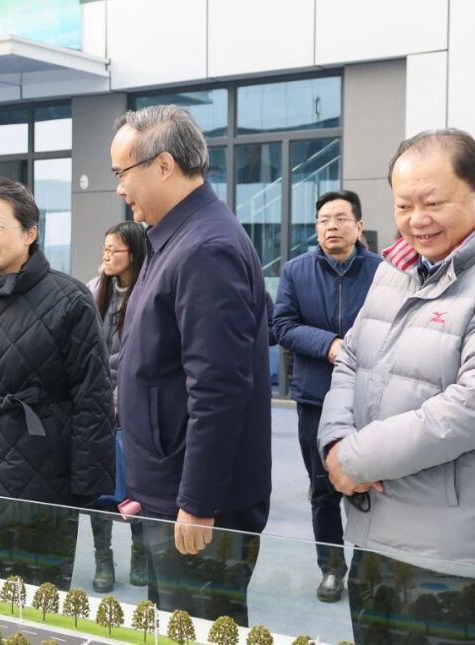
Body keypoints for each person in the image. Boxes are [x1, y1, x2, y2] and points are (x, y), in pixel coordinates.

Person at [318, 129, 475, 644]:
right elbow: (351, 358)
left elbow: (473, 408)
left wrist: (354, 459)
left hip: (452, 559)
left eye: (433, 203)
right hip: (374, 536)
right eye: (404, 205)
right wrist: (334, 441)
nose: (416, 219)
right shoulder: (394, 271)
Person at [112, 105, 271, 625]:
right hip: (171, 489)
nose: (119, 188)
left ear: (163, 166)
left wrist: (197, 502)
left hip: (197, 506)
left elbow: (218, 388)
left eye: (122, 172)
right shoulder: (175, 236)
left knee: (200, 627)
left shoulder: (206, 247)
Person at [0, 177, 115, 589]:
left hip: (48, 469)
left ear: (30, 233)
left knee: (44, 597)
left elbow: (93, 396)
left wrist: (87, 483)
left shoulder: (70, 299)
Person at [272, 189, 381, 602]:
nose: (331, 226)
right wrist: (329, 345)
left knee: (371, 486)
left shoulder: (383, 272)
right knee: (322, 489)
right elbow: (282, 325)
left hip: (369, 399)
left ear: (358, 225)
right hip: (316, 396)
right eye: (323, 220)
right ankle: (331, 568)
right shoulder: (296, 271)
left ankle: (367, 570)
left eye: (340, 218)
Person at [85, 220, 148, 593]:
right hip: (97, 408)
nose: (107, 256)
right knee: (100, 487)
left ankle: (140, 552)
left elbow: (142, 358)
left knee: (137, 487)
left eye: (115, 250)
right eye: (105, 249)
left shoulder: (147, 293)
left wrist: (120, 401)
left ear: (134, 254)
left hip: (133, 409)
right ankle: (103, 559)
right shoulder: (95, 290)